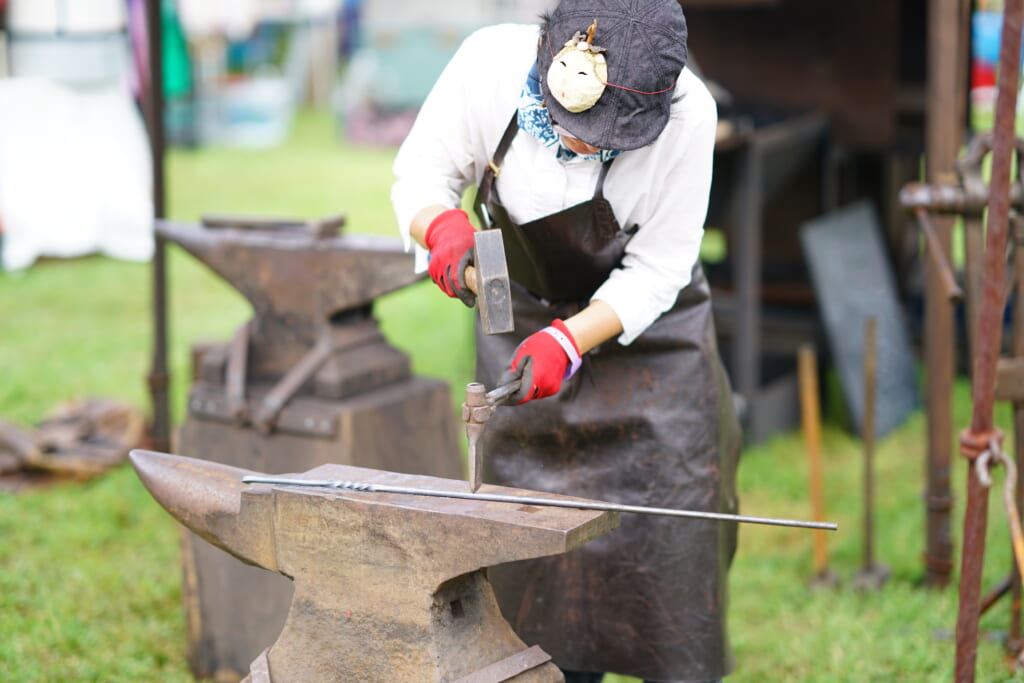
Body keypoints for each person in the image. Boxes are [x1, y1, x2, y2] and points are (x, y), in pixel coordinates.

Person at [391, 1, 740, 681]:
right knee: (530, 570)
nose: (583, 143)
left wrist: (573, 340)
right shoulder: (487, 64)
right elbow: (421, 177)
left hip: (653, 350)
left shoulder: (691, 115)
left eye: (606, 134)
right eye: (574, 125)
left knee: (671, 550)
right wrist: (441, 229)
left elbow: (661, 267)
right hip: (519, 324)